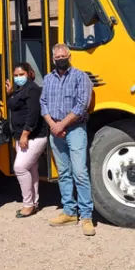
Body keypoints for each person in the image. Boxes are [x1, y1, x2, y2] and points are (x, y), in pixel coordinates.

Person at [40, 43, 95, 237]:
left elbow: (82, 105)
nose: (61, 59)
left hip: (75, 129)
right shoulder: (48, 78)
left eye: (64, 56)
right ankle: (69, 212)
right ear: (53, 59)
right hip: (55, 132)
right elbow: (43, 104)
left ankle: (86, 216)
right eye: (58, 57)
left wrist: (61, 125)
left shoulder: (81, 77)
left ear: (69, 56)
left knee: (80, 172)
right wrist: (53, 125)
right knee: (63, 173)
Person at [6, 62, 47, 218]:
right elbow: (13, 106)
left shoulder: (33, 89)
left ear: (29, 73)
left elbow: (33, 114)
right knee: (31, 169)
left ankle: (28, 204)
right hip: (21, 136)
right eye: (16, 75)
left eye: (21, 74)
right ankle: (34, 203)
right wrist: (10, 93)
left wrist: (25, 134)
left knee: (20, 167)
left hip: (33, 136)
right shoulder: (20, 90)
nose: (18, 78)